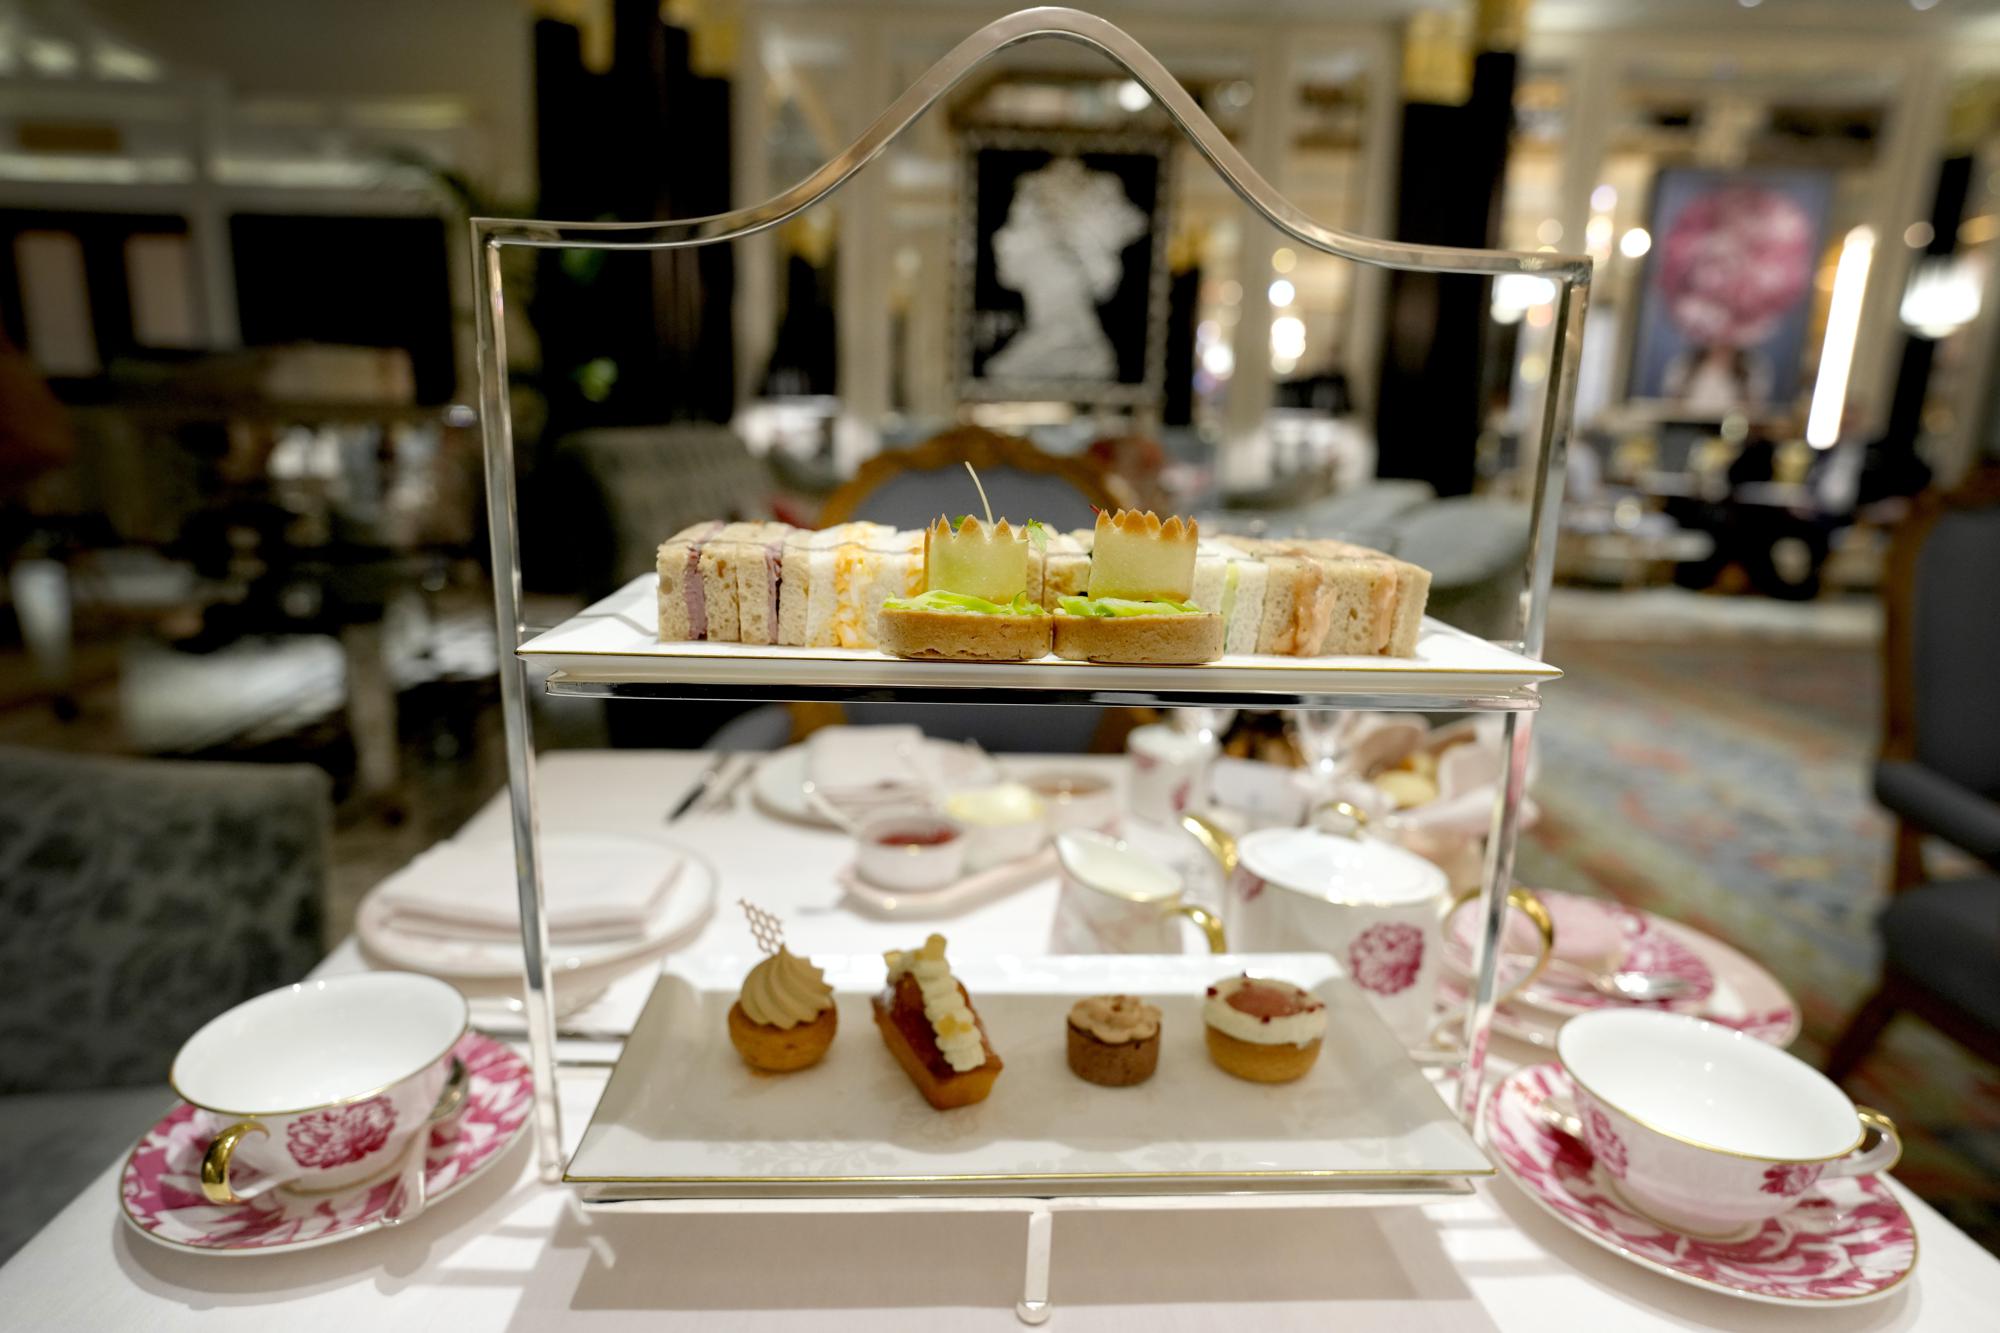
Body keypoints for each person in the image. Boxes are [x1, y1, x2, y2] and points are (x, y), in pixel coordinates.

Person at [986, 157, 1147, 383]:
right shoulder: (1021, 356)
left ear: (1063, 258)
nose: (1001, 238)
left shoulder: (1082, 356)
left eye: (1018, 223)